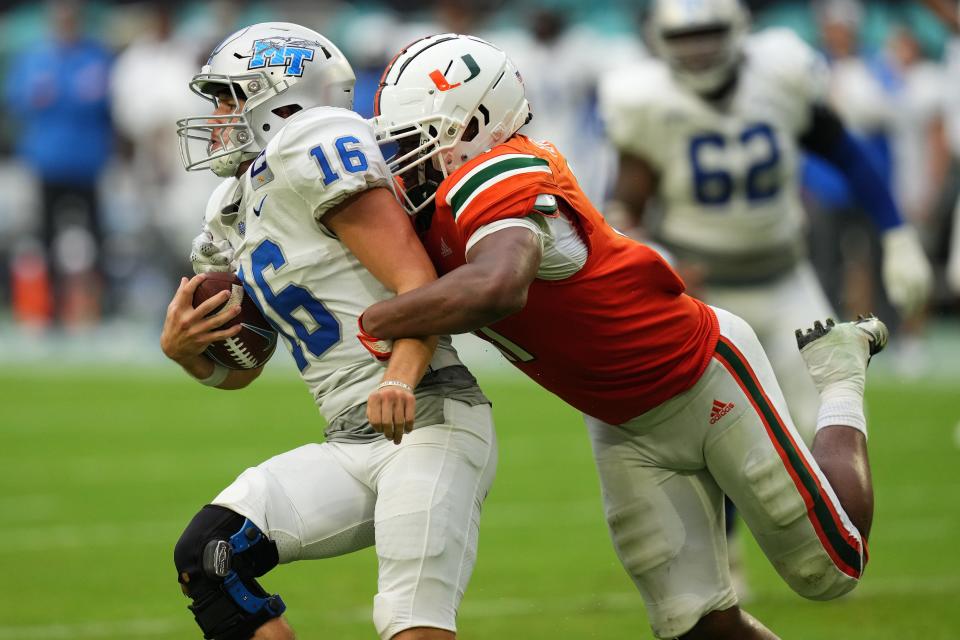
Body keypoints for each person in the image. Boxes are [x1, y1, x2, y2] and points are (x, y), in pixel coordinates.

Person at [362, 33, 886, 639]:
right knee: (696, 626)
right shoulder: (437, 210)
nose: (403, 154)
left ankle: (841, 376)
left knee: (830, 571)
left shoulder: (503, 173)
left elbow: (498, 286)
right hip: (622, 422)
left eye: (415, 136)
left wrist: (377, 319)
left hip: (701, 374)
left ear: (474, 124)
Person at [161, 23, 496, 640]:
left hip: (426, 417)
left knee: (411, 625)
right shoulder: (232, 206)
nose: (217, 116)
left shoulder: (313, 140)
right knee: (210, 556)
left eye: (231, 97)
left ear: (281, 99)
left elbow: (417, 287)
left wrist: (397, 376)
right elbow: (244, 370)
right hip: (352, 439)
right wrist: (187, 355)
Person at [597, 0, 931, 440]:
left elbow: (847, 154)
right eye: (684, 38)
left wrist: (897, 234)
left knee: (832, 424)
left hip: (786, 282)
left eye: (708, 35)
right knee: (717, 437)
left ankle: (832, 513)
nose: (697, 51)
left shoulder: (779, 72)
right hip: (703, 294)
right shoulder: (645, 99)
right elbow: (624, 212)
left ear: (737, 29)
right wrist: (658, 262)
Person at [4, 0, 114, 326]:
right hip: (47, 161)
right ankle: (49, 309)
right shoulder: (36, 58)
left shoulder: (95, 57)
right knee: (46, 237)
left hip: (87, 161)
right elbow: (17, 100)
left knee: (97, 238)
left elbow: (108, 104)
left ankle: (98, 306)